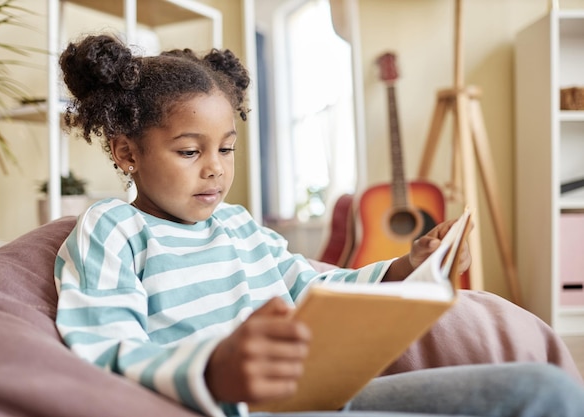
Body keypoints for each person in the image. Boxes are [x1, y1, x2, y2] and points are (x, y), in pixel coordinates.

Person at [54, 34, 584, 417]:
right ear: (127, 153)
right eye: (190, 150)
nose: (215, 166)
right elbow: (104, 349)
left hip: (323, 395)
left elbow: (318, 288)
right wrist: (213, 369)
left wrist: (410, 265)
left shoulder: (241, 228)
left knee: (546, 388)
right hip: (233, 406)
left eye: (227, 149)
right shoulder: (114, 228)